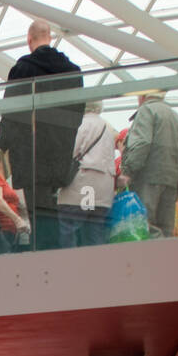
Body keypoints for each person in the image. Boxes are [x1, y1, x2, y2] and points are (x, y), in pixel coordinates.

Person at [0, 20, 84, 251]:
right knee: (57, 214)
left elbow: (13, 112)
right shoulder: (73, 71)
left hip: (31, 156)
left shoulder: (23, 69)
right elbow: (77, 114)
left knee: (39, 219)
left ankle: (44, 265)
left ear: (29, 39)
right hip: (60, 156)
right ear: (50, 38)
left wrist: (1, 144)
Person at [121, 90, 178, 239]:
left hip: (147, 179)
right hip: (170, 183)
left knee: (145, 227)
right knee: (166, 231)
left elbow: (142, 143)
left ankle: (148, 262)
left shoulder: (146, 111)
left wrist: (127, 172)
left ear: (142, 97)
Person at [56, 101, 116, 247]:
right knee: (94, 235)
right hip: (103, 191)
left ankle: (70, 268)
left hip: (82, 188)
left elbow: (69, 153)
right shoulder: (108, 129)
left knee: (69, 231)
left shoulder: (80, 124)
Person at [0, 148, 30, 249]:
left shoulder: (3, 180)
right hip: (2, 230)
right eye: (7, 158)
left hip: (11, 230)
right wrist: (17, 220)